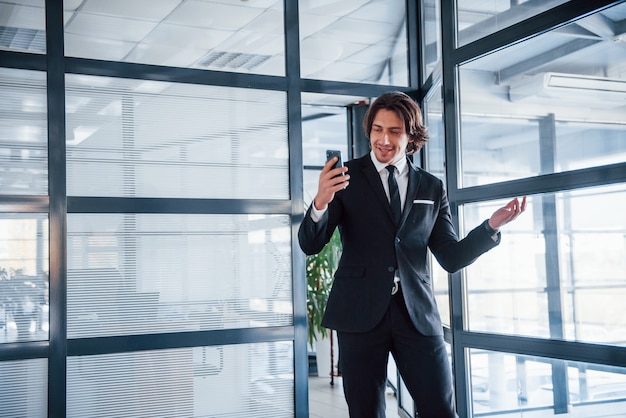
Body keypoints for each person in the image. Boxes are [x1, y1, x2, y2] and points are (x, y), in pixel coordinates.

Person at [298, 91, 526, 418]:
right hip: (359, 313)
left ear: (411, 135)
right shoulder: (345, 178)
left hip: (416, 314)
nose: (384, 139)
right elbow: (310, 245)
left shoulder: (431, 187)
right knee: (367, 412)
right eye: (377, 129)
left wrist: (490, 227)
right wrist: (321, 201)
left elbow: (450, 256)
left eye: (394, 131)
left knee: (440, 410)